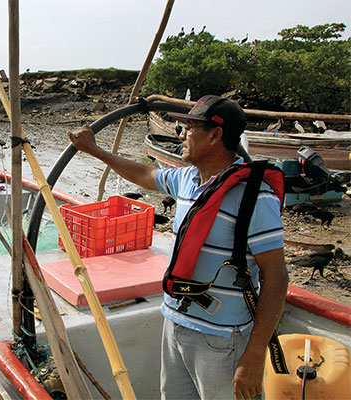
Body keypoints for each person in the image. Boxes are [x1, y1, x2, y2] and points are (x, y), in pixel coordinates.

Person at [67, 95, 288, 400]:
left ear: (215, 134)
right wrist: (95, 151)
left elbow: (276, 277)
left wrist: (254, 355)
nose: (180, 134)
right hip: (175, 322)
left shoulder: (254, 197)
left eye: (189, 128)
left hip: (222, 339)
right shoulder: (186, 179)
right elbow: (143, 174)